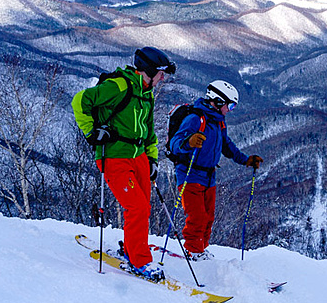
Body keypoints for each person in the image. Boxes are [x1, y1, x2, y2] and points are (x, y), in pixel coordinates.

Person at [72, 46, 176, 280]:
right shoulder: (119, 86)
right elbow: (80, 101)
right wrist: (91, 132)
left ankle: (131, 247)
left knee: (143, 207)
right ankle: (140, 261)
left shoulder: (146, 92)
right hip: (114, 156)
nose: (163, 78)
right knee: (136, 207)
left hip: (138, 156)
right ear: (148, 70)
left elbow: (148, 130)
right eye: (161, 73)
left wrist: (152, 159)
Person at [168, 80, 262, 260]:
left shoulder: (219, 122)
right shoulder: (195, 119)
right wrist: (188, 142)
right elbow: (174, 144)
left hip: (209, 176)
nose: (230, 110)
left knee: (208, 217)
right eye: (230, 105)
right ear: (218, 101)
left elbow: (226, 145)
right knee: (197, 217)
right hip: (189, 174)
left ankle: (201, 250)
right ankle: (193, 251)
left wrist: (246, 160)